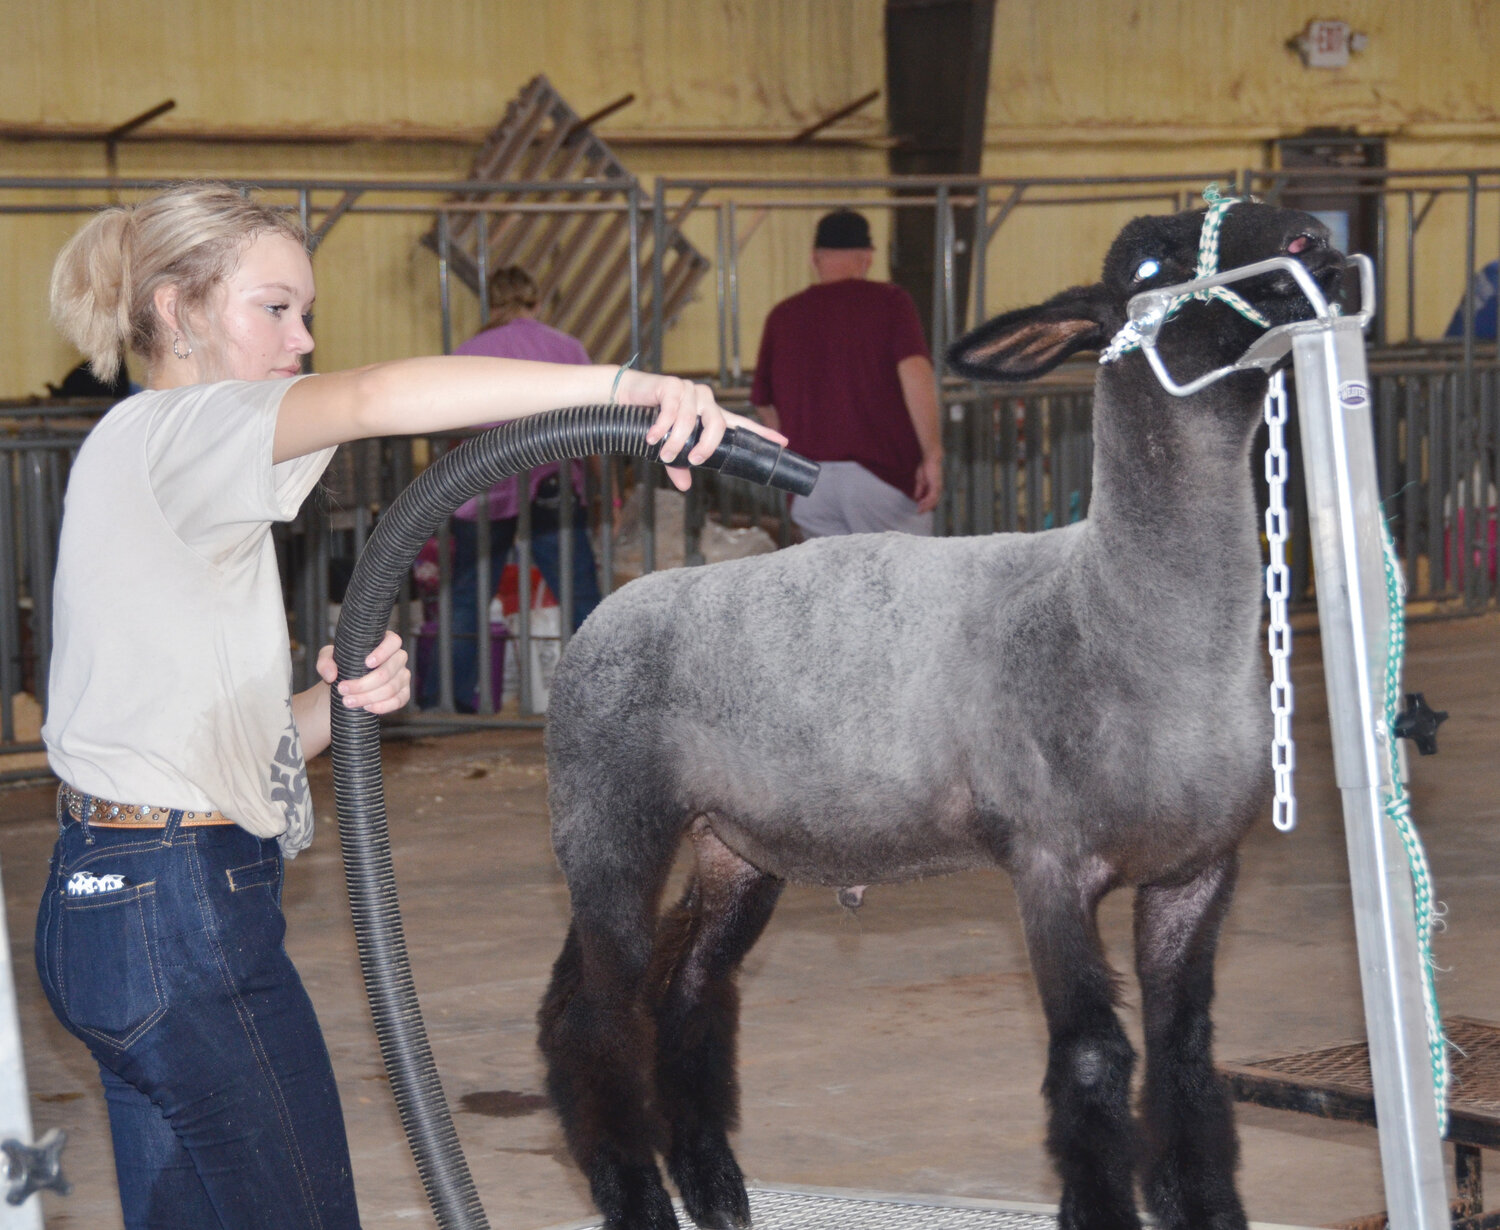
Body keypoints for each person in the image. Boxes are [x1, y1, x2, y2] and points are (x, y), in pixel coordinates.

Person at [34, 181, 775, 1230]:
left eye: (308, 315)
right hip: (178, 918)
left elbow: (178, 738)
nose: (302, 340)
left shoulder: (147, 453)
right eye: (275, 309)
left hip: (118, 900)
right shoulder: (182, 429)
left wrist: (330, 706)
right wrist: (630, 386)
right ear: (176, 310)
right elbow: (380, 397)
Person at [418, 265, 603, 712]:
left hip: (483, 485)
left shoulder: (468, 353)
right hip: (551, 480)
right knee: (579, 595)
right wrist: (597, 490)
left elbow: (441, 425)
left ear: (492, 302)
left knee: (467, 594)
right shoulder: (567, 348)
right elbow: (596, 424)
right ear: (536, 301)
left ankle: (451, 702)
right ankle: (602, 698)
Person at [750, 208, 943, 538]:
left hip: (808, 483)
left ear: (814, 258)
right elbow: (916, 375)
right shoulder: (891, 303)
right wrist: (933, 455)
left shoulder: (783, 316)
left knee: (832, 587)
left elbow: (765, 406)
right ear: (868, 257)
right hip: (880, 476)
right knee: (900, 584)